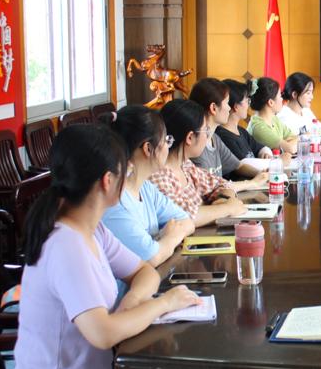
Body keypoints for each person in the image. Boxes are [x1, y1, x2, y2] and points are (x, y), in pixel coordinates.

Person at [6, 124, 205, 369]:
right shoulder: (65, 244)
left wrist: (133, 300)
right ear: (108, 181)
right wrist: (163, 303)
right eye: (126, 171)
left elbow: (144, 271)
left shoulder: (93, 229)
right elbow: (103, 333)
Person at [100, 106, 194, 266]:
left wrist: (159, 243)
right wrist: (169, 237)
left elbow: (186, 222)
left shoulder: (145, 188)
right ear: (148, 148)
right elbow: (151, 258)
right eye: (166, 141)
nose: (168, 146)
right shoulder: (114, 204)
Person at [149, 99, 247, 227]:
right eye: (206, 131)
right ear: (190, 137)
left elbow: (221, 184)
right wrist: (227, 208)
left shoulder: (185, 165)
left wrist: (223, 200)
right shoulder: (158, 176)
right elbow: (181, 217)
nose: (207, 137)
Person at [188, 77, 269, 187]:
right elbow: (212, 189)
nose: (229, 108)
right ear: (213, 108)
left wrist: (262, 174)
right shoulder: (196, 145)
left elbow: (238, 166)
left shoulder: (215, 138)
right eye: (227, 103)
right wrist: (252, 183)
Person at [215, 78, 272, 161]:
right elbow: (242, 164)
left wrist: (264, 154)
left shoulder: (241, 131)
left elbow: (259, 147)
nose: (248, 105)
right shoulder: (223, 136)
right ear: (236, 106)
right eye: (247, 101)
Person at [247, 76, 298, 154]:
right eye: (280, 96)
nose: (282, 99)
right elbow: (291, 149)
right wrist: (288, 144)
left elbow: (296, 138)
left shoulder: (274, 118)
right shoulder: (258, 128)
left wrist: (287, 145)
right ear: (271, 102)